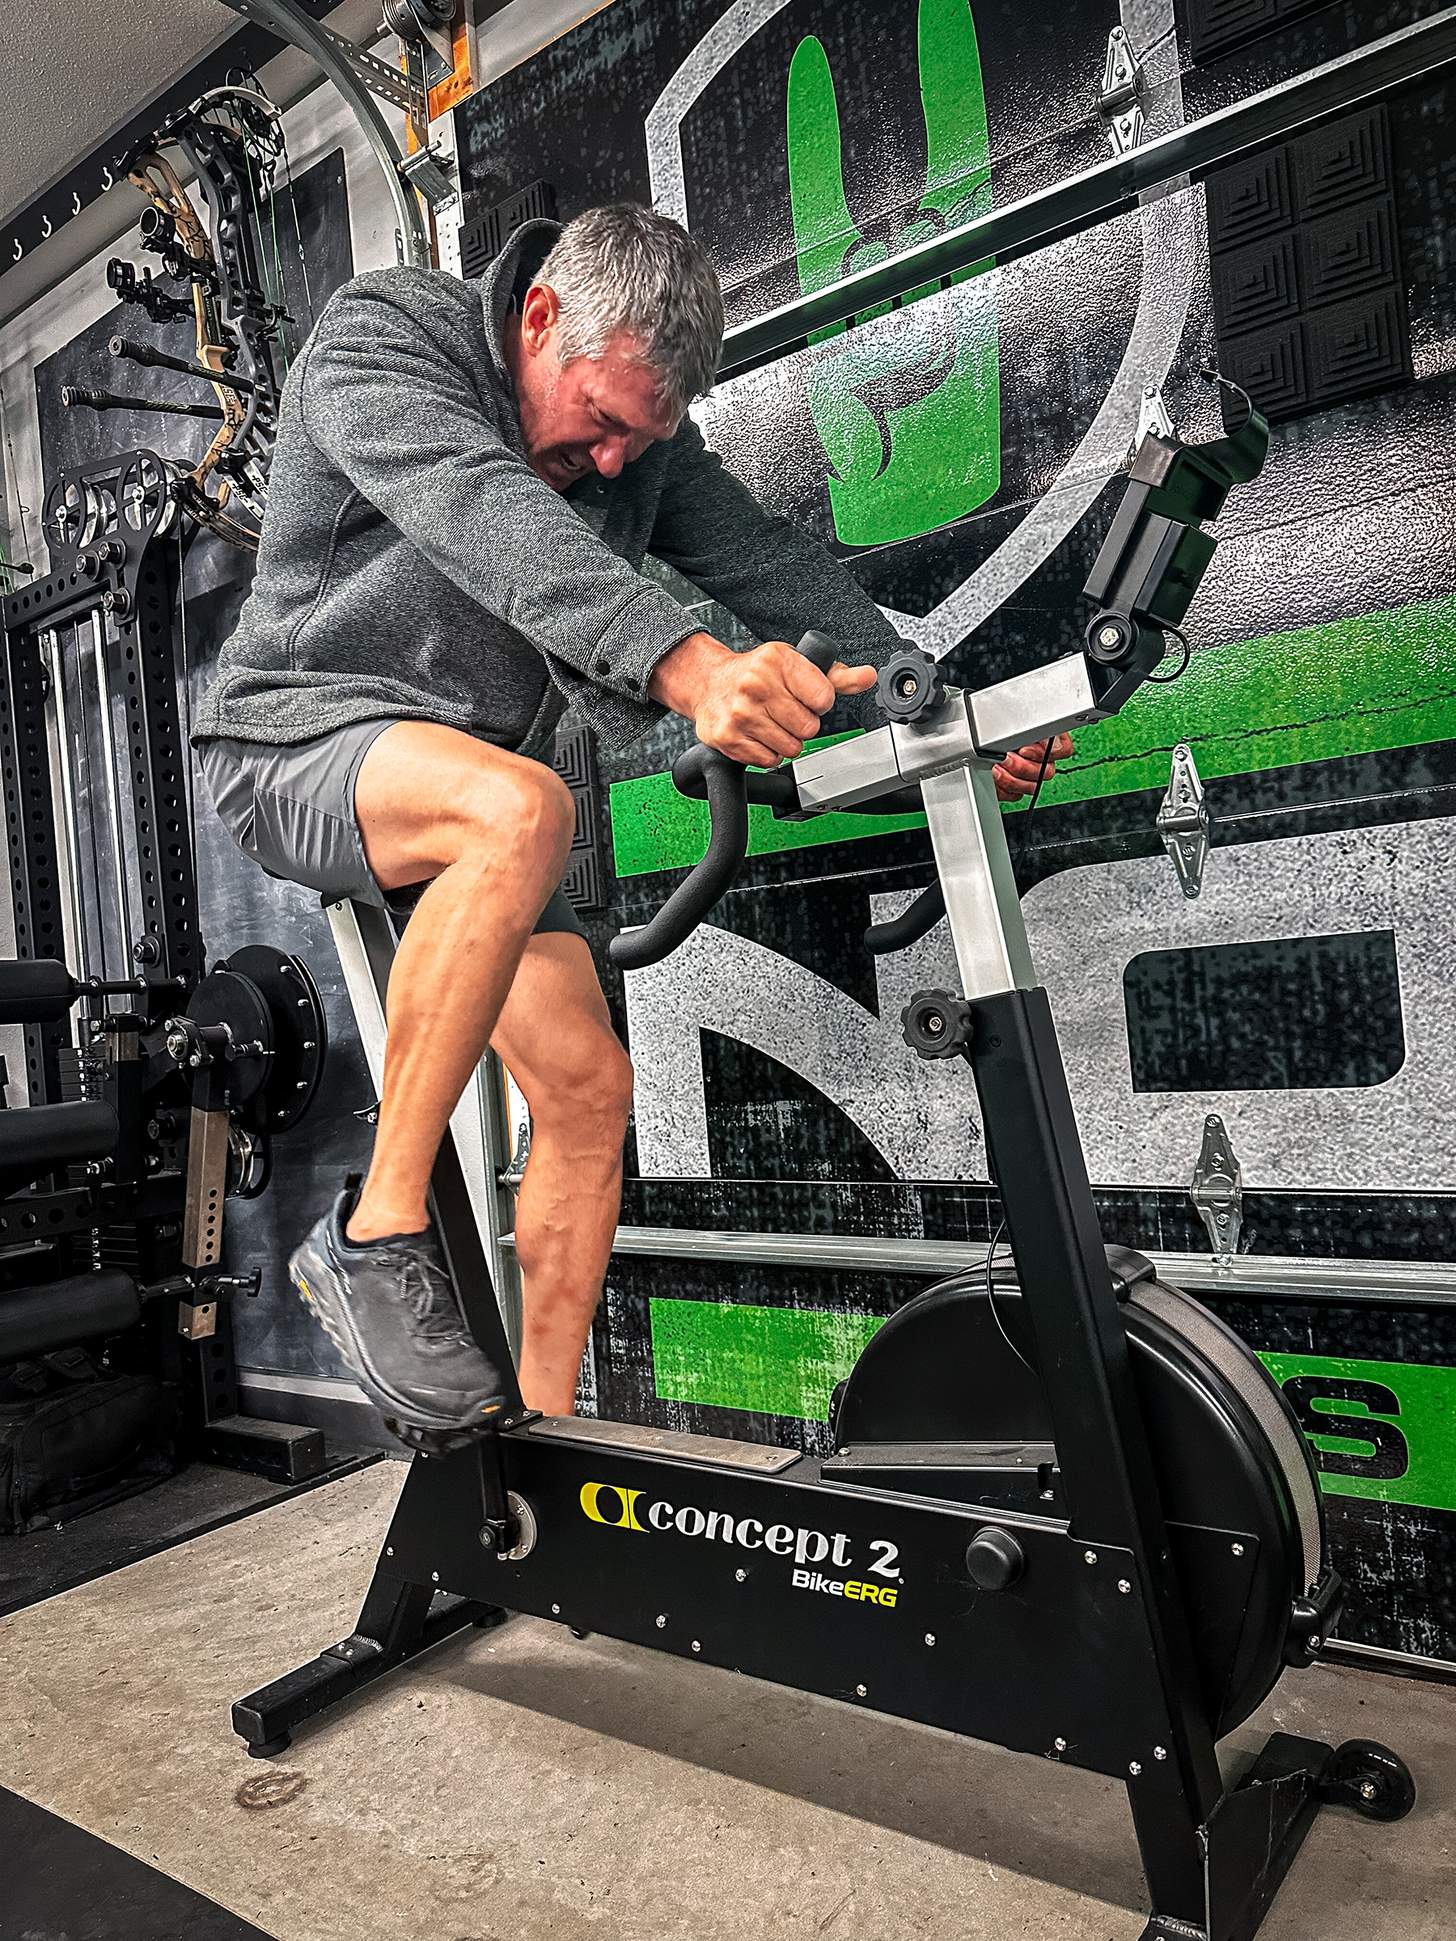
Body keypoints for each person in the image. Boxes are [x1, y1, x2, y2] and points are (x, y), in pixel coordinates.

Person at [194, 202, 1069, 1443]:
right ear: (538, 318)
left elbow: (764, 560)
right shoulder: (386, 338)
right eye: (600, 422)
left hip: (480, 801)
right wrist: (686, 661)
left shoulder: (638, 449)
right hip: (297, 739)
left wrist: (943, 701)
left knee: (590, 1088)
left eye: (638, 441)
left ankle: (534, 1444)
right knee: (524, 804)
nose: (612, 464)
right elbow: (484, 513)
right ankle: (374, 1229)